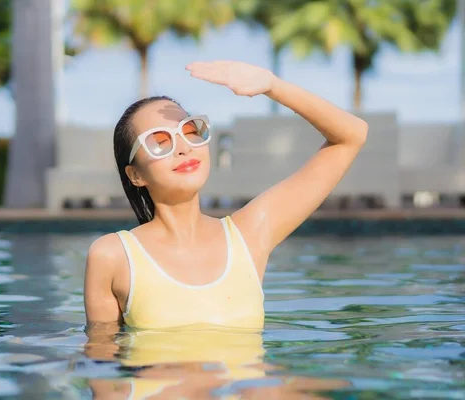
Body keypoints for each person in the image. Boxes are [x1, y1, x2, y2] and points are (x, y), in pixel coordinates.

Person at [84, 60, 368, 331]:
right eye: (159, 142)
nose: (183, 147)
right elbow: (102, 359)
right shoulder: (112, 255)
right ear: (136, 175)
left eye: (190, 130)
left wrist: (271, 85)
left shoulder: (249, 234)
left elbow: (351, 135)